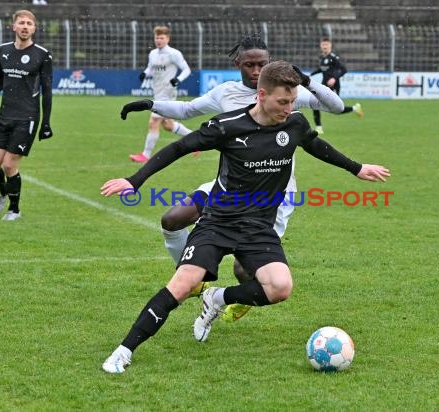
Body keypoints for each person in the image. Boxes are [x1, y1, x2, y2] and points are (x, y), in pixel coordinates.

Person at [100, 60, 390, 373]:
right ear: (261, 95)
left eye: (292, 101)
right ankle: (124, 351)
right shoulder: (228, 125)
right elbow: (179, 148)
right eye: (282, 102)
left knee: (280, 287)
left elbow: (316, 145)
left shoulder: (294, 123)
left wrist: (356, 168)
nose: (288, 108)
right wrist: (135, 180)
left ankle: (217, 298)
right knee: (183, 285)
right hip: (219, 221)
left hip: (258, 227)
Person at [119, 33, 348, 322]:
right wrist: (151, 105)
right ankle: (193, 280)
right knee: (173, 218)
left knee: (245, 271)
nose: (255, 71)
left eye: (261, 65)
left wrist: (305, 80)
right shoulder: (224, 92)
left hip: (271, 194)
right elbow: (187, 110)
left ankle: (235, 299)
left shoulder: (286, 92)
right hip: (228, 187)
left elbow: (336, 107)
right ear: (237, 63)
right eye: (249, 65)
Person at [0, 9, 53, 221]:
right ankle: (3, 192)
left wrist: (46, 123)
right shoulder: (3, 50)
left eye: (29, 23)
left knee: (9, 165)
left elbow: (47, 91)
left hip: (27, 118)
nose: (25, 26)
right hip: (4, 116)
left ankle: (14, 210)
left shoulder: (42, 55)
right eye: (22, 23)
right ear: (13, 26)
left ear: (34, 28)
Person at [129, 25, 192, 163]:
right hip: (157, 92)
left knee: (154, 121)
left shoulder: (173, 53)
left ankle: (145, 154)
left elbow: (186, 69)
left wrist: (178, 79)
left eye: (162, 37)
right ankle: (195, 138)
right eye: (157, 37)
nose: (159, 40)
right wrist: (145, 74)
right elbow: (150, 68)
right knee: (168, 125)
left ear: (167, 39)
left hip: (168, 93)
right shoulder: (153, 54)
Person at [309, 37, 362, 135]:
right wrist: (310, 75)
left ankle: (355, 108)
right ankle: (319, 127)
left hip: (334, 86)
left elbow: (344, 70)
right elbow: (322, 69)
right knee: (315, 104)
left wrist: (334, 78)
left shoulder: (334, 58)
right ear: (321, 46)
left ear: (330, 46)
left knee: (337, 110)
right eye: (323, 44)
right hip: (324, 85)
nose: (325, 46)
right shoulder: (322, 58)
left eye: (327, 44)